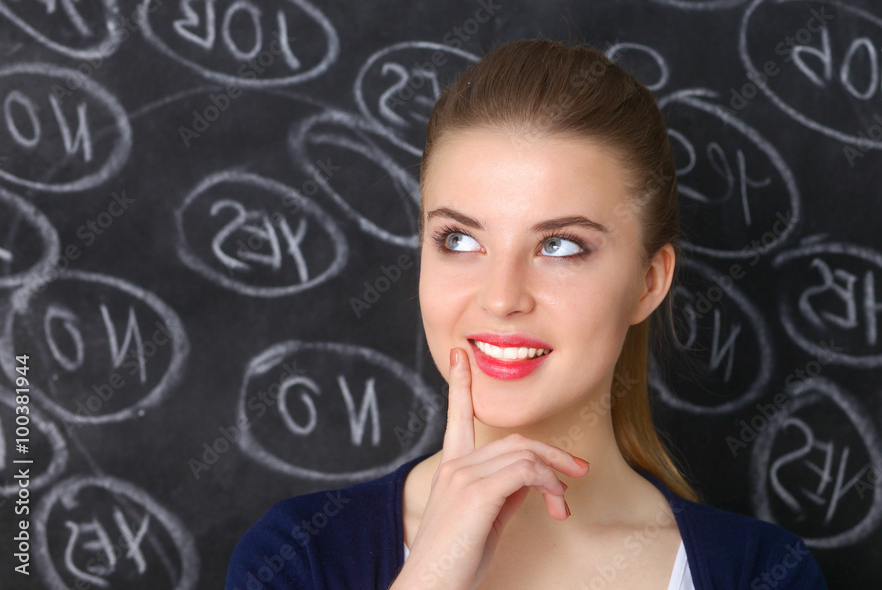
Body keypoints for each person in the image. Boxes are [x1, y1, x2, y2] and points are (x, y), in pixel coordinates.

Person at [225, 39, 828, 589]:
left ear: (649, 282)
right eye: (460, 240)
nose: (501, 296)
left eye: (560, 245)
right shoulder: (301, 556)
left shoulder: (760, 573)